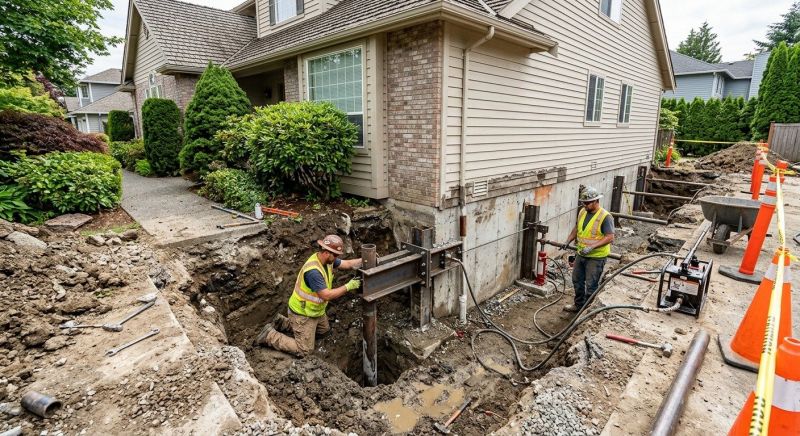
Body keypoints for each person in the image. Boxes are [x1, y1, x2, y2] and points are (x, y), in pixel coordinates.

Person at [255, 234, 362, 356]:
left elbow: (347, 264)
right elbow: (326, 295)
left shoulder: (327, 260)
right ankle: (270, 336)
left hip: (315, 311)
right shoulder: (314, 272)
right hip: (302, 313)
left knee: (323, 332)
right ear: (327, 253)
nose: (337, 257)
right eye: (336, 255)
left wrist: (364, 260)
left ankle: (282, 323)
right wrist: (349, 286)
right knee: (305, 350)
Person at [562, 186, 615, 312]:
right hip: (581, 254)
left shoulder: (605, 217)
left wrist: (592, 247)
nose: (585, 205)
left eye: (587, 203)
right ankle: (578, 305)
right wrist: (568, 240)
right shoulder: (582, 212)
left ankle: (586, 312)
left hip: (596, 257)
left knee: (591, 285)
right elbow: (577, 228)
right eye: (583, 203)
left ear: (596, 201)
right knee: (577, 280)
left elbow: (610, 237)